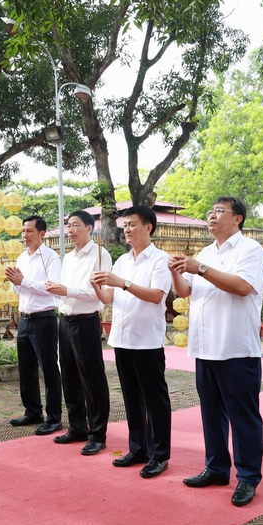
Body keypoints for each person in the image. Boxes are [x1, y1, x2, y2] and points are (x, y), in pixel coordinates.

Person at [168, 196, 263, 507]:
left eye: (219, 211)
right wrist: (177, 272)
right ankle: (216, 467)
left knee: (243, 416)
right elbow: (185, 291)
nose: (212, 216)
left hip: (236, 347)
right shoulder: (207, 252)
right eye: (210, 212)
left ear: (237, 218)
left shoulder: (250, 249)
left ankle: (248, 477)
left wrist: (201, 268)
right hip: (205, 347)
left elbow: (242, 287)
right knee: (211, 413)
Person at [91, 205, 172, 479]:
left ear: (148, 227)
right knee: (131, 399)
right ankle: (138, 448)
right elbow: (108, 298)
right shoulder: (123, 260)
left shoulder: (160, 259)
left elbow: (156, 296)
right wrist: (97, 285)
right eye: (124, 225)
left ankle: (160, 455)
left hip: (147, 340)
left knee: (155, 400)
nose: (126, 229)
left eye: (132, 224)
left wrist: (122, 282)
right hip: (122, 339)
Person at [44, 210, 112, 455]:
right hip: (65, 320)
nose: (70, 230)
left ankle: (97, 433)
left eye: (75, 225)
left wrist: (67, 290)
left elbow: (98, 293)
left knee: (92, 378)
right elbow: (66, 290)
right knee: (69, 376)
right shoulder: (69, 257)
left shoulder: (101, 254)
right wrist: (56, 289)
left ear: (89, 228)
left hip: (86, 322)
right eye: (68, 226)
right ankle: (77, 426)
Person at [5, 216, 64, 435]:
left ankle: (54, 417)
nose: (24, 235)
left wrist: (24, 282)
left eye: (29, 231)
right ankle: (33, 411)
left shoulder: (50, 258)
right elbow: (20, 290)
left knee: (49, 368)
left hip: (44, 318)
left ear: (41, 234)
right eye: (22, 231)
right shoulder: (22, 258)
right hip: (25, 318)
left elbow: (52, 287)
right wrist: (16, 283)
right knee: (26, 368)